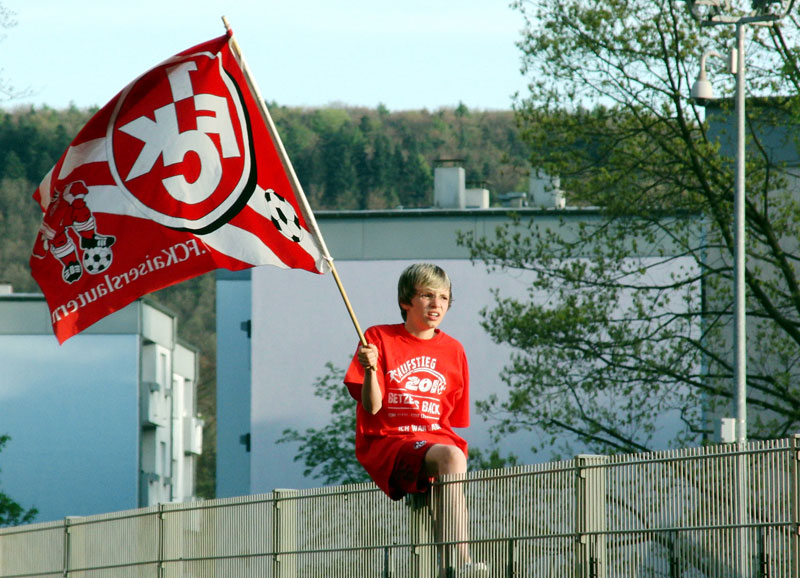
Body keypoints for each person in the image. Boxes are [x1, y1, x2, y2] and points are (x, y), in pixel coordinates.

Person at [344, 263, 487, 575]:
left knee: (450, 465)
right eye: (427, 295)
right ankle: (460, 563)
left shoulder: (454, 350)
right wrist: (370, 369)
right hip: (391, 441)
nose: (436, 304)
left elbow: (451, 419)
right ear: (406, 301)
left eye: (443, 297)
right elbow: (371, 407)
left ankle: (448, 565)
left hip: (432, 442)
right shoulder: (378, 337)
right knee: (451, 456)